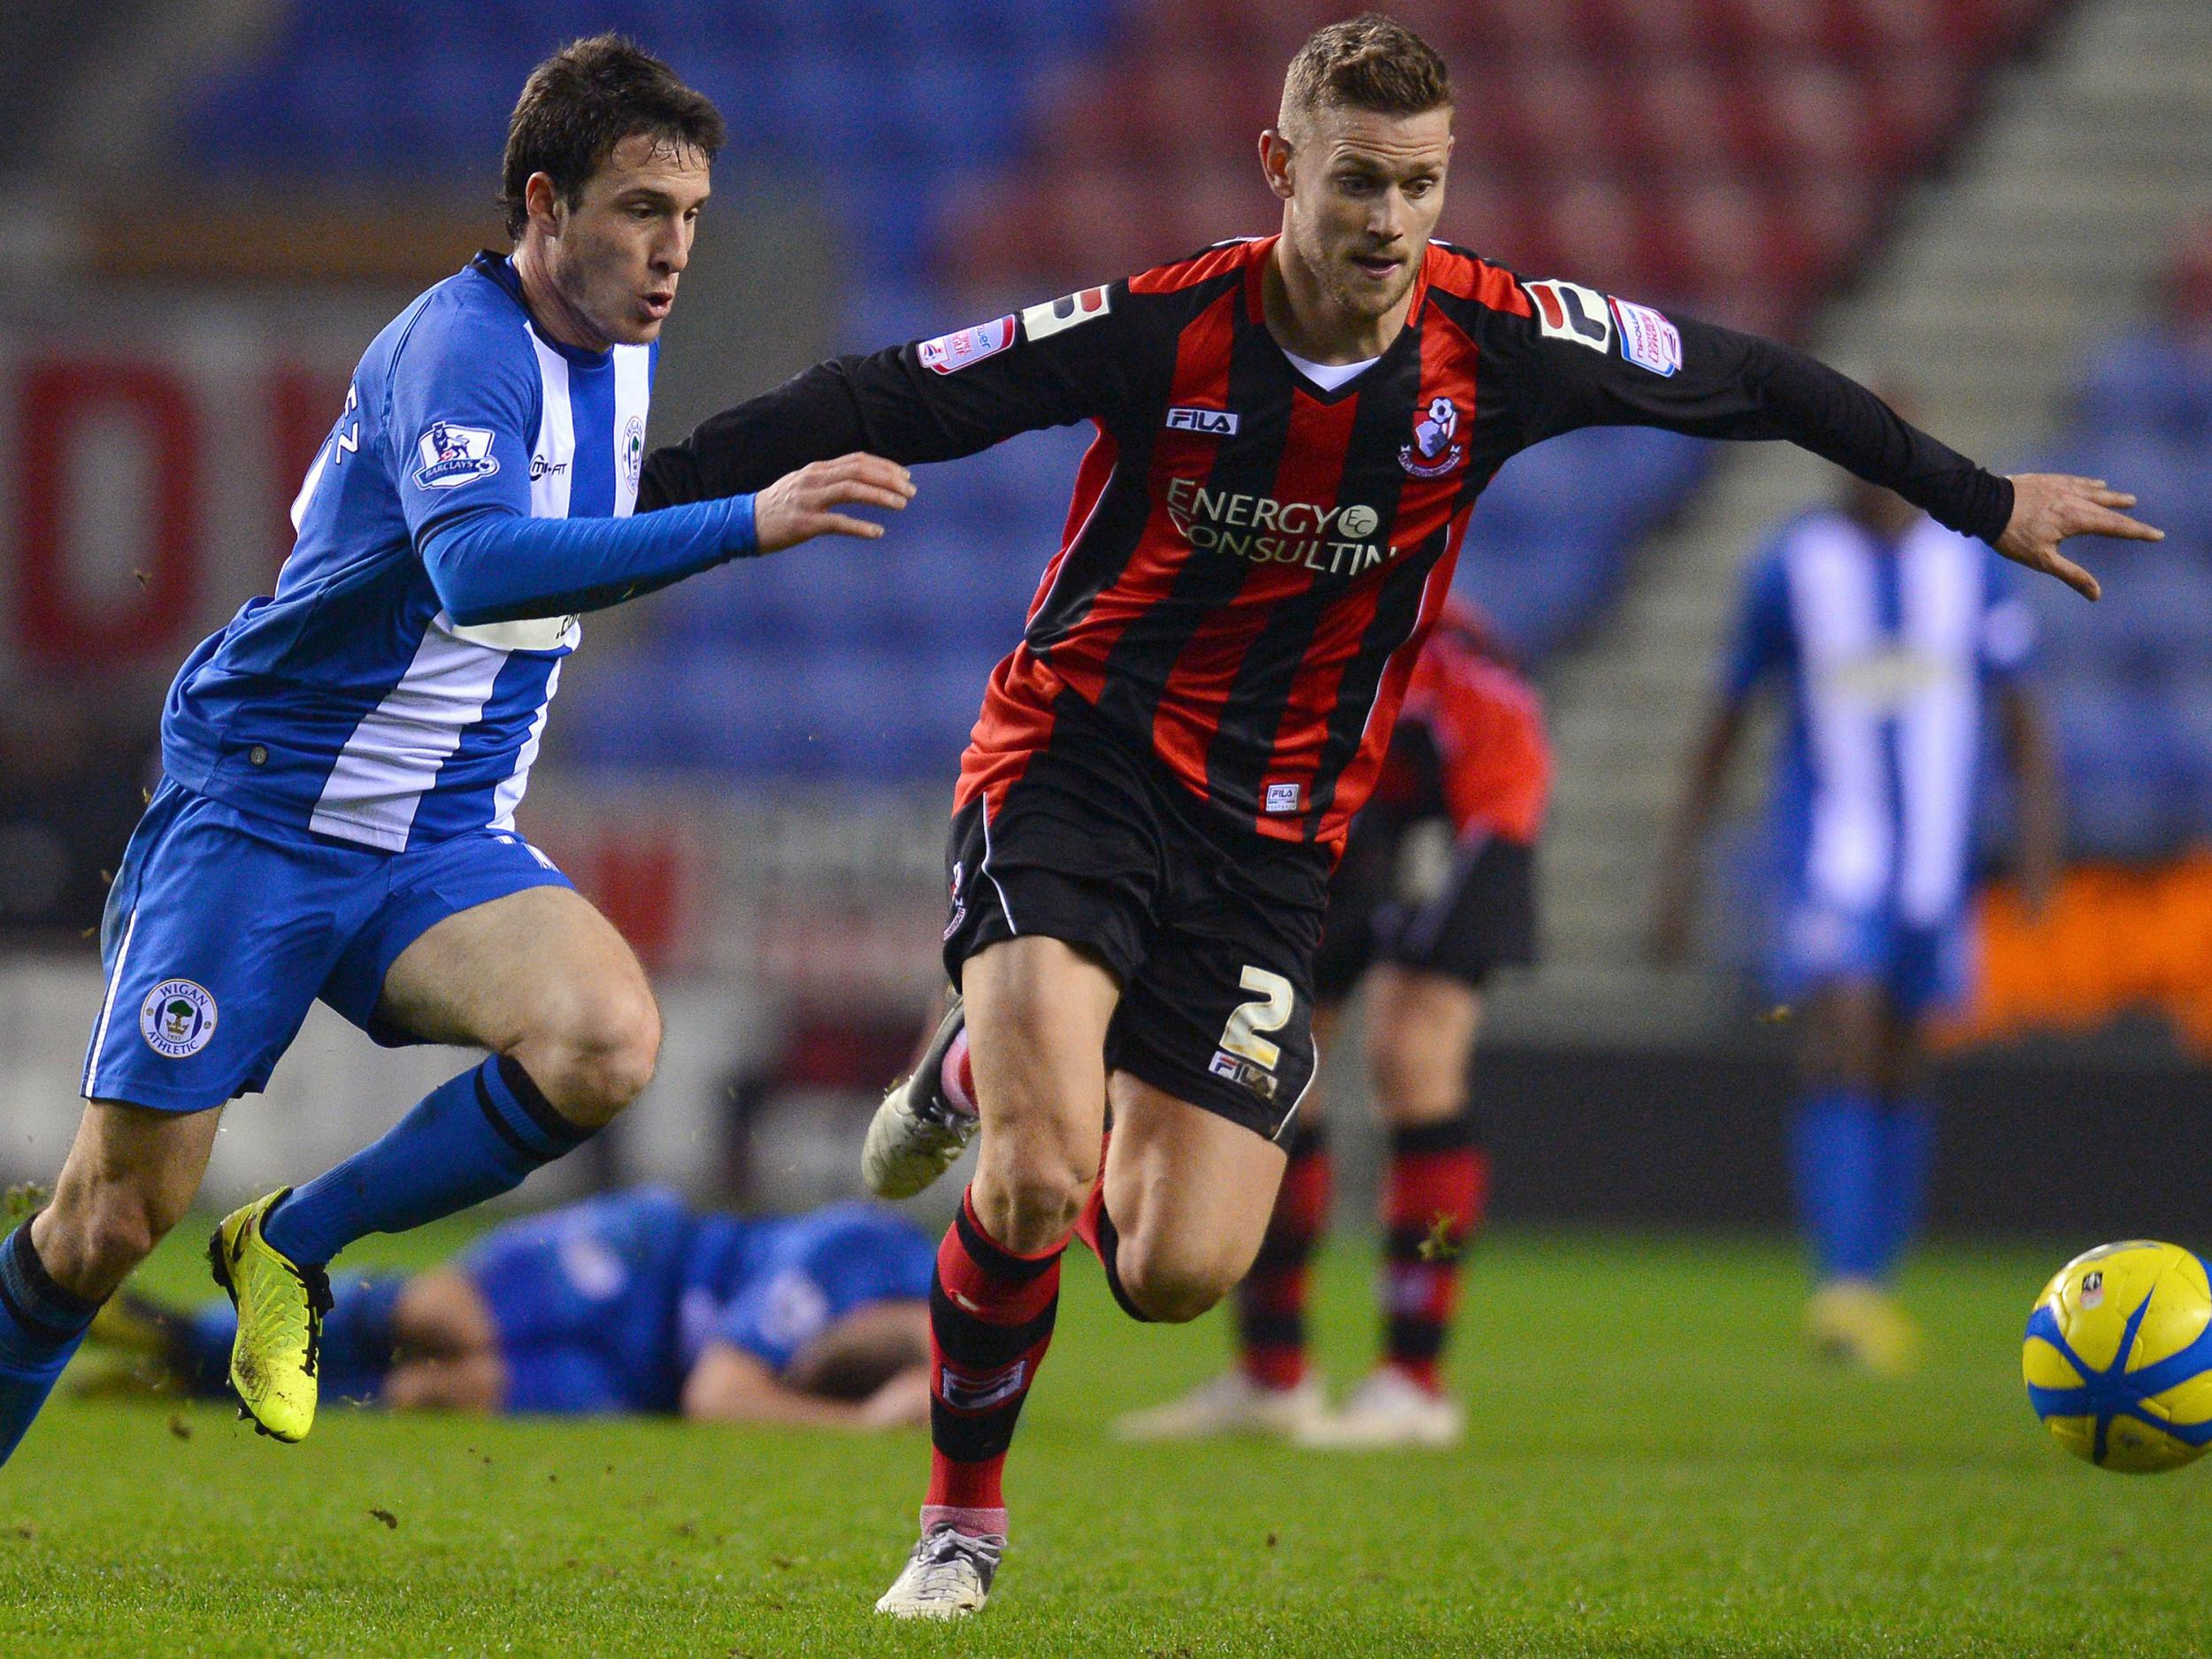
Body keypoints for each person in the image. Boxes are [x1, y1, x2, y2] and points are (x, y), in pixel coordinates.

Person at [639, 13, 2151, 1617]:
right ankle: (961, 1529)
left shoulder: (1502, 342)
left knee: (1172, 1270)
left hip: (1276, 845)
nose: (1390, 220)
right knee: (1031, 1176)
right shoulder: (1164, 324)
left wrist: (1982, 502)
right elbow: (897, 387)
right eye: (1359, 181)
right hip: (1075, 766)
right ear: (1284, 166)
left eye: (1422, 185)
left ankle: (970, 1061)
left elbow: (1758, 378)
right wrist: (653, 489)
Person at [0, 35, 914, 1471]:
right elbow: (480, 571)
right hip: (266, 812)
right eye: (638, 210)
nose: (671, 249)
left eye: (690, 217)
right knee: (105, 1223)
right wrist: (752, 519)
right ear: (544, 205)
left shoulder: (620, 350)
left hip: (435, 835)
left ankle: (288, 1244)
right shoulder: (460, 344)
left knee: (606, 1040)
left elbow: (590, 521)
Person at [1649, 430, 2063, 1373]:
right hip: (1828, 857)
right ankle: (1839, 1287)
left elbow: (2021, 715)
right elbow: (1726, 717)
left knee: (1905, 1059)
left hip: (1933, 864)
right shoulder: (1790, 568)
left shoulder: (1967, 569)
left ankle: (1872, 1282)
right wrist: (1681, 866)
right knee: (1841, 1030)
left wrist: (2039, 854)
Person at [1114, 597, 1548, 1448]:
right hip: (1340, 815)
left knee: (1412, 1056)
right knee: (1280, 1071)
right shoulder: (1275, 601)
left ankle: (1414, 1382)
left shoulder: (1422, 630)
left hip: (1471, 810)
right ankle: (1275, 1376)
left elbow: (1496, 738)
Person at [86, 1189, 935, 1429]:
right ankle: (191, 1335)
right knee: (445, 1319)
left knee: (449, 1391)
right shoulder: (852, 1255)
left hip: (636, 1380)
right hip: (646, 1264)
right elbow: (722, 1393)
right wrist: (860, 1425)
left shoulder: (944, 1357)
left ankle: (204, 1385)